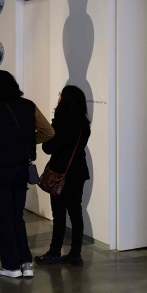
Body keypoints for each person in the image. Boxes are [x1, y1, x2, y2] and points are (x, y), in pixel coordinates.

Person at [0, 70, 54, 279]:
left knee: (3, 218)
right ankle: (26, 263)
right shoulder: (29, 105)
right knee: (17, 216)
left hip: (1, 169)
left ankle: (11, 266)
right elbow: (49, 132)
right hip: (22, 168)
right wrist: (25, 142)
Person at [35, 86, 91, 267]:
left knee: (59, 215)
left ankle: (54, 252)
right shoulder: (84, 124)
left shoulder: (60, 122)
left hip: (60, 171)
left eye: (60, 94)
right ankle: (75, 254)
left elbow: (48, 148)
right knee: (76, 213)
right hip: (78, 172)